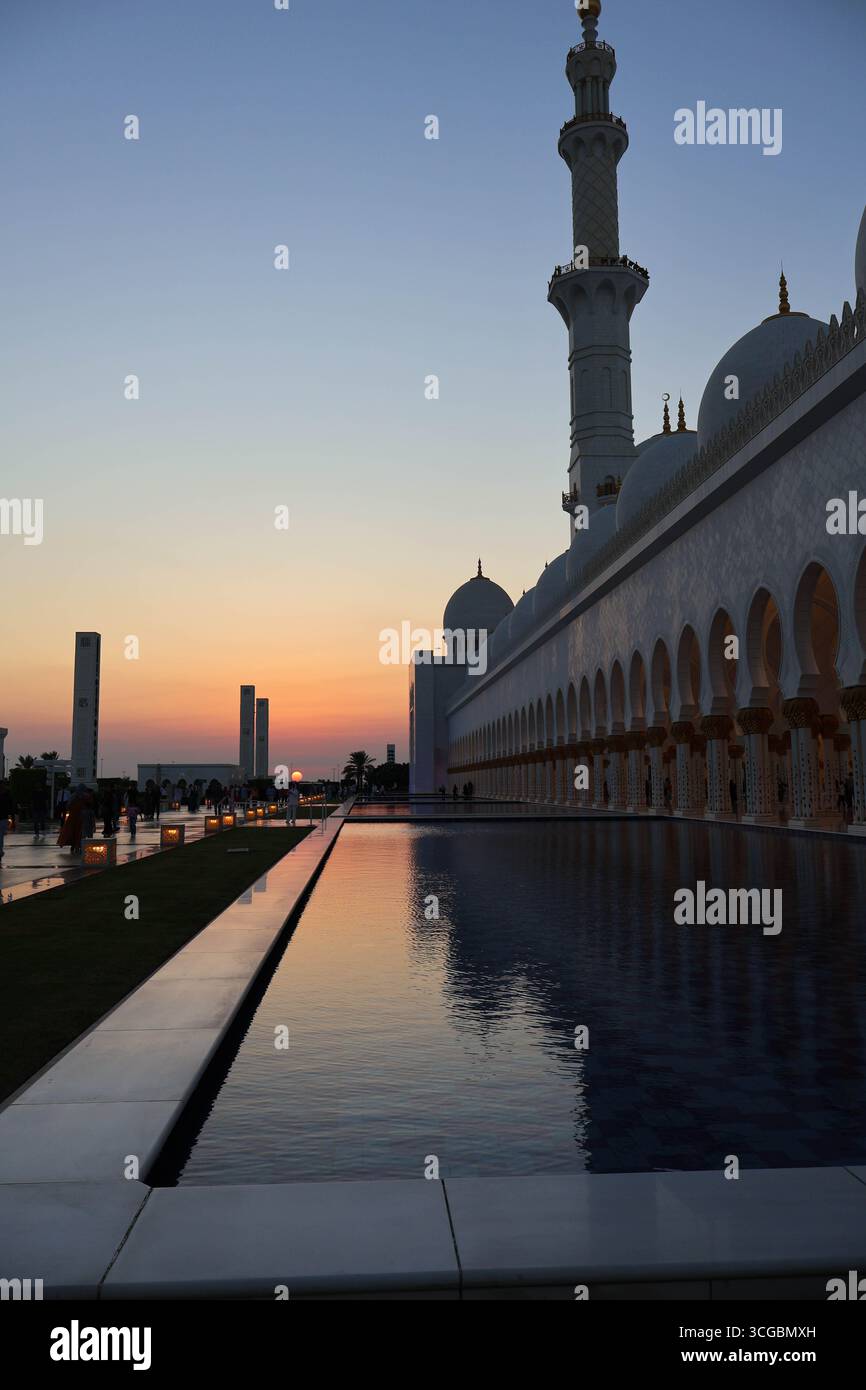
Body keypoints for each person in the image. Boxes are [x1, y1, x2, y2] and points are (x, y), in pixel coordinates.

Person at [58, 788, 85, 854]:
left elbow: (68, 806)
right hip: (76, 818)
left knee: (73, 832)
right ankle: (76, 845)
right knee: (76, 832)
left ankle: (75, 845)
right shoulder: (81, 798)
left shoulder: (75, 798)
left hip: (74, 818)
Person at [0, 780, 15, 862]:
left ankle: (0, 850)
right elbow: (11, 807)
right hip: (3, 817)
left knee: (1, 835)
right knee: (1, 835)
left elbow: (11, 807)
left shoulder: (7, 794)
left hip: (3, 818)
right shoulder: (7, 794)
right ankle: (0, 850)